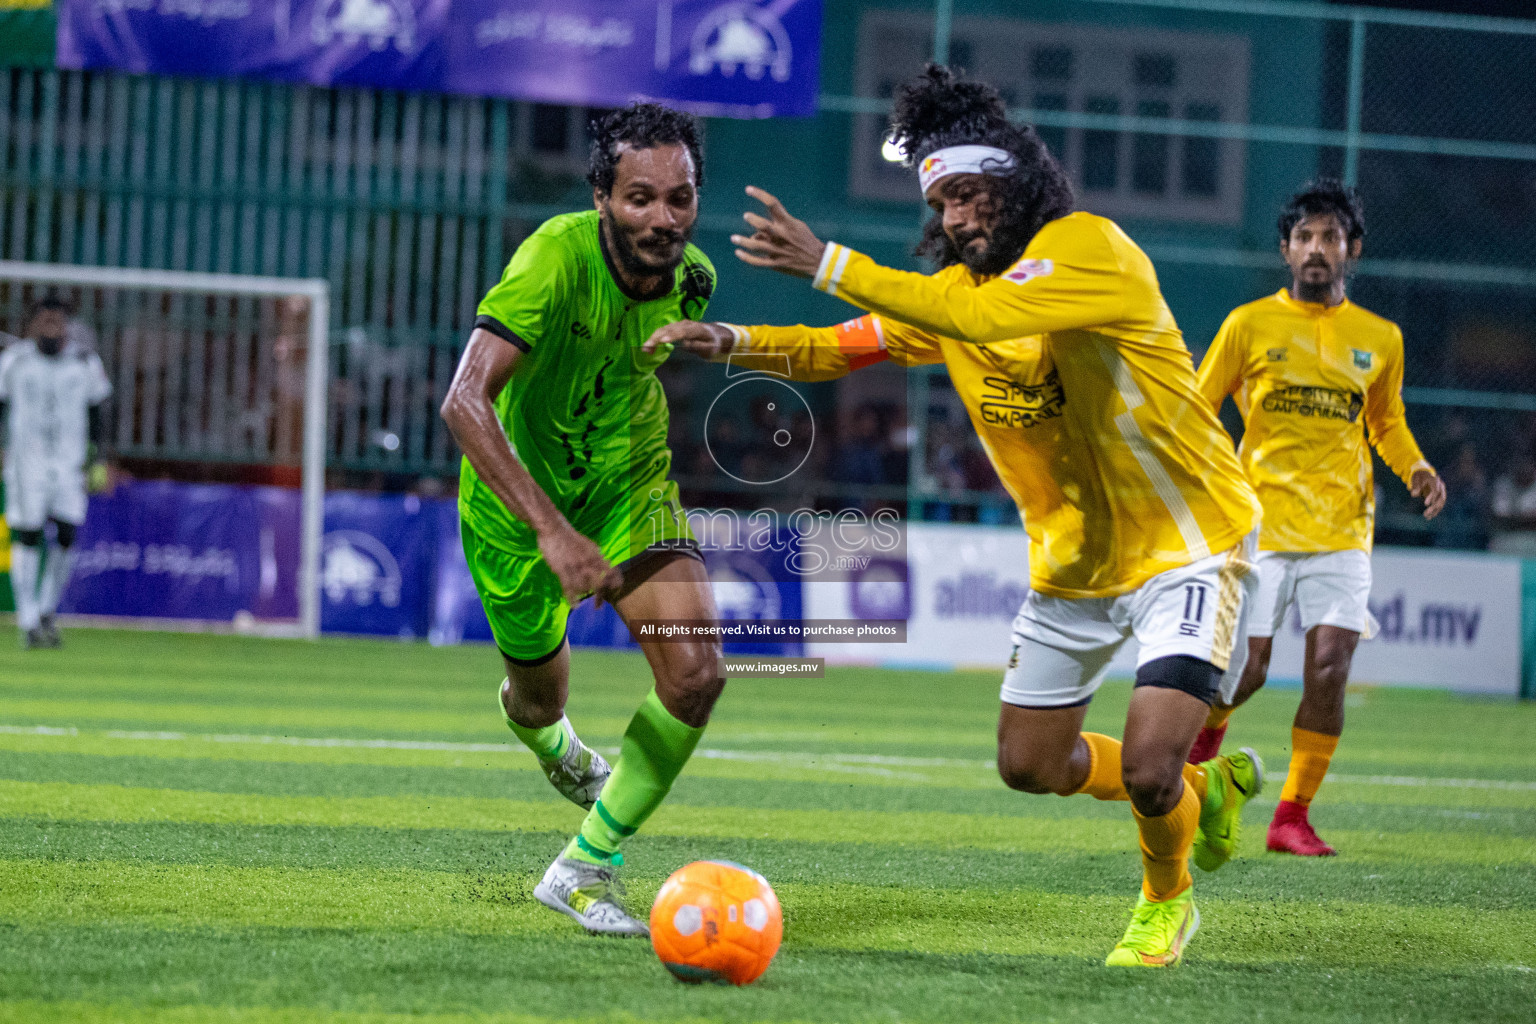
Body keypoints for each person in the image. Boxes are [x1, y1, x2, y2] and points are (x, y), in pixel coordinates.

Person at [646, 65, 1265, 968]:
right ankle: (1206, 798)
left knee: (1145, 765)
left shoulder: (1094, 249)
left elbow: (988, 313)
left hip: (1190, 544)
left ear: (1017, 187)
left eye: (973, 195)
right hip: (1074, 568)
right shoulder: (957, 304)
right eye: (945, 204)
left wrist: (829, 263)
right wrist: (733, 340)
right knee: (1029, 765)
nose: (960, 219)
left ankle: (1165, 903)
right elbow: (841, 347)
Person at [439, 103, 722, 936]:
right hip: (514, 509)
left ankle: (582, 867)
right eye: (640, 198)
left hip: (627, 486)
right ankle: (560, 750)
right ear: (602, 195)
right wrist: (553, 532)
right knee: (538, 700)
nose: (663, 219)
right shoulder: (550, 262)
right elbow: (464, 402)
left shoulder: (695, 278)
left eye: (679, 198)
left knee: (697, 676)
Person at [1190, 179, 1446, 856]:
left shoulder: (1379, 338)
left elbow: (1386, 424)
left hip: (1342, 530)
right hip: (1259, 524)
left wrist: (1415, 466)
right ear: (1285, 249)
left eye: (1329, 237)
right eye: (1304, 237)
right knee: (1244, 671)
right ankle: (1191, 775)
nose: (1315, 249)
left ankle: (1290, 817)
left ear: (1351, 250)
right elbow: (1197, 407)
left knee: (1330, 667)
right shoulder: (1248, 325)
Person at [0, 294, 112, 649]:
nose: (52, 328)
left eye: (58, 322)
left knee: (66, 534)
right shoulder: (14, 361)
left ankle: (47, 609)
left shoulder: (84, 363)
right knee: (28, 534)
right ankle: (29, 619)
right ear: (34, 325)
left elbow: (97, 412)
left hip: (69, 463)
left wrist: (98, 457)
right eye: (46, 321)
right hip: (25, 462)